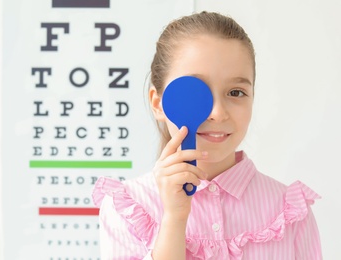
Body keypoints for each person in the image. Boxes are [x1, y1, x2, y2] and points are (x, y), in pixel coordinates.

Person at [92, 11, 322, 259]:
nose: (218, 113)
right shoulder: (128, 208)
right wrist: (174, 219)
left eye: (235, 92)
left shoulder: (289, 212)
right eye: (195, 92)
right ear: (158, 104)